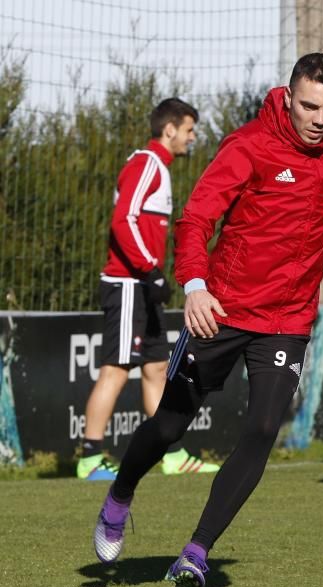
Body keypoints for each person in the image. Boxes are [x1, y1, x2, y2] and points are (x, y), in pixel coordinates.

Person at [91, 53, 323, 587]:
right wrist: (195, 285)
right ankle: (120, 492)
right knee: (169, 427)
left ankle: (196, 552)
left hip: (287, 318)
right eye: (309, 106)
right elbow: (196, 219)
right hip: (223, 309)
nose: (319, 119)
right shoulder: (248, 147)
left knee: (263, 429)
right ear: (288, 98)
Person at [76, 98, 221, 481]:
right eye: (189, 130)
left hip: (144, 285)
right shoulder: (147, 163)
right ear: (169, 129)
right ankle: (89, 458)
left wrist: (153, 275)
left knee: (157, 369)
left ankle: (170, 455)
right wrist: (149, 271)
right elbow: (123, 220)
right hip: (128, 285)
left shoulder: (162, 169)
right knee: (117, 368)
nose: (193, 138)